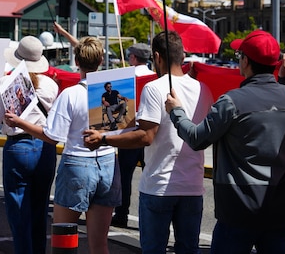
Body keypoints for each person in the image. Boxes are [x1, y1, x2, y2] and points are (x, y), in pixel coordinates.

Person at [166, 29, 285, 254]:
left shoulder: (232, 102)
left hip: (238, 210)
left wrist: (177, 112)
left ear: (245, 61)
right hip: (279, 210)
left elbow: (197, 139)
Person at [83, 31, 213, 254]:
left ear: (157, 57)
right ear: (182, 57)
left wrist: (104, 138)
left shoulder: (154, 88)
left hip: (159, 187)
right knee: (189, 249)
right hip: (192, 187)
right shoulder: (203, 89)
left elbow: (146, 136)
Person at [6, 36, 120, 254]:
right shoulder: (113, 92)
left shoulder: (70, 94)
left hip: (77, 163)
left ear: (76, 62)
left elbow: (52, 136)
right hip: (107, 162)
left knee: (64, 238)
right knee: (100, 244)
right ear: (101, 60)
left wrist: (21, 123)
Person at [0, 35, 59, 254]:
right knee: (40, 208)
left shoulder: (5, 82)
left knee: (18, 210)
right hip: (45, 147)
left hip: (18, 146)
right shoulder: (51, 85)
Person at [111, 42, 155, 228]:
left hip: (129, 132)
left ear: (134, 58)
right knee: (151, 176)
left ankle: (121, 215)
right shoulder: (157, 77)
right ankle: (149, 218)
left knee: (125, 178)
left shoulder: (125, 77)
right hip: (150, 132)